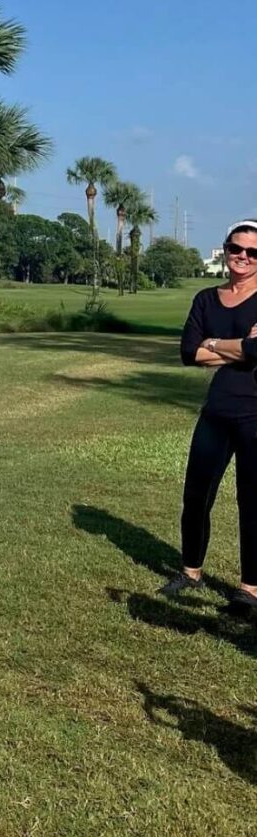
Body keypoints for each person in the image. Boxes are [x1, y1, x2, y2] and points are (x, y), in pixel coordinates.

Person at [163, 219, 257, 612]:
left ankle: (250, 589)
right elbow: (188, 352)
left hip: (254, 413)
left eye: (253, 253)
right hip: (216, 410)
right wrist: (239, 345)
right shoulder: (206, 298)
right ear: (226, 249)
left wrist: (214, 345)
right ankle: (191, 571)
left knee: (252, 501)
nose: (243, 257)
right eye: (236, 249)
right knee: (196, 495)